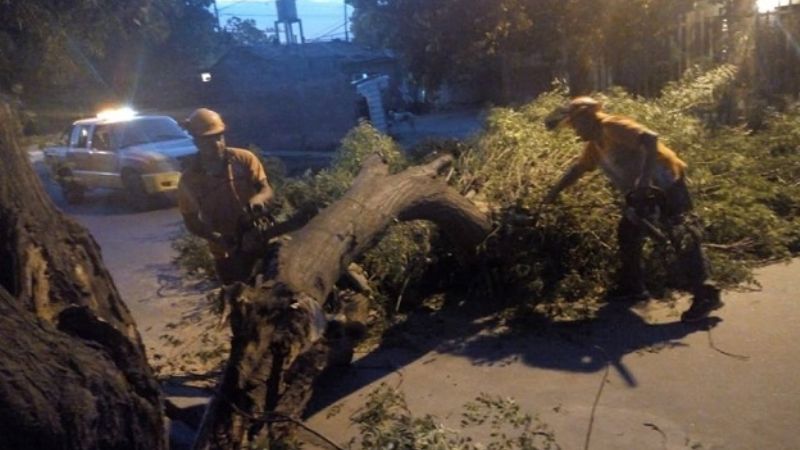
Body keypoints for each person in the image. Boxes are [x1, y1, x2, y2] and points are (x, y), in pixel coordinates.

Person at [542, 96, 722, 322]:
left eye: (576, 125)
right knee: (628, 233)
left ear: (589, 118)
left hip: (666, 184)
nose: (575, 131)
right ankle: (634, 288)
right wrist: (553, 192)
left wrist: (644, 181)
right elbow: (578, 169)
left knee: (681, 235)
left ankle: (705, 293)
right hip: (641, 196)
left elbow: (650, 138)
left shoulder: (612, 126)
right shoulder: (595, 146)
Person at [177, 108, 273, 284]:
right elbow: (191, 221)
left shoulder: (244, 159)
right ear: (196, 141)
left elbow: (266, 189)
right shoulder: (189, 180)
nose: (216, 144)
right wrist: (217, 238)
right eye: (208, 140)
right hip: (226, 254)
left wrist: (258, 199)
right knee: (238, 300)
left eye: (219, 137)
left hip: (258, 240)